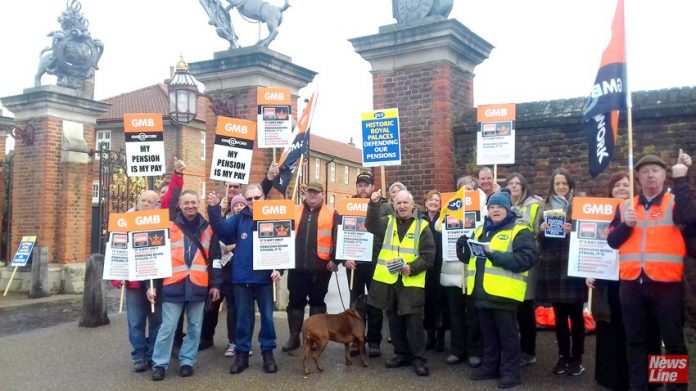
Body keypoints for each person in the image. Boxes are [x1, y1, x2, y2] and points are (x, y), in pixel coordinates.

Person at [607, 152, 695, 390]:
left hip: (666, 286)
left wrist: (683, 179)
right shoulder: (626, 206)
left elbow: (689, 217)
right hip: (632, 285)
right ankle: (641, 387)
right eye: (645, 172)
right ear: (638, 178)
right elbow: (613, 242)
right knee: (636, 341)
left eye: (655, 171)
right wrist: (626, 224)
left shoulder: (674, 201)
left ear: (665, 175)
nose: (650, 176)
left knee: (672, 342)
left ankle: (673, 388)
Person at [587, 171, 662, 390]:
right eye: (617, 184)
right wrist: (589, 270)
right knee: (613, 329)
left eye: (625, 185)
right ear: (610, 188)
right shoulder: (597, 211)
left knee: (646, 329)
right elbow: (589, 246)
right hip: (610, 280)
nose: (621, 188)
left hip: (643, 279)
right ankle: (613, 377)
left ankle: (652, 379)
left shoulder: (647, 209)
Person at [456, 190, 537, 389]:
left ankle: (511, 372)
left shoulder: (519, 230)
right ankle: (490, 367)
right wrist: (462, 248)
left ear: (508, 209)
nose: (495, 210)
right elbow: (470, 259)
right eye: (492, 207)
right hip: (482, 293)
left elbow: (526, 259)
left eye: (499, 206)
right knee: (489, 335)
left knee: (508, 337)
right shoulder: (481, 230)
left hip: (505, 294)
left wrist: (495, 255)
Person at [207, 184, 282, 374]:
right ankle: (241, 355)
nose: (253, 202)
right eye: (249, 199)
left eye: (257, 198)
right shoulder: (239, 218)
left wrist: (280, 269)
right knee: (242, 319)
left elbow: (284, 246)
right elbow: (222, 231)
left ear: (263, 197)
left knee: (267, 319)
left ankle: (268, 354)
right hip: (242, 279)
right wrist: (214, 209)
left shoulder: (275, 217)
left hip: (265, 279)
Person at [148, 190, 223, 381]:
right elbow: (158, 257)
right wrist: (154, 286)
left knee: (195, 327)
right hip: (173, 285)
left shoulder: (208, 228)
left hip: (198, 286)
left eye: (193, 202)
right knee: (168, 327)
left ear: (199, 204)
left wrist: (216, 284)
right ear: (180, 205)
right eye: (186, 203)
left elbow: (215, 258)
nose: (190, 206)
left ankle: (187, 361)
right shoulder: (169, 227)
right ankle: (159, 363)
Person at [366, 188, 435, 377]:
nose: (402, 206)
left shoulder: (422, 226)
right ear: (393, 205)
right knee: (394, 319)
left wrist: (411, 268)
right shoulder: (387, 222)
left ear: (413, 205)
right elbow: (371, 225)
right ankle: (401, 354)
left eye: (406, 202)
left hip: (411, 281)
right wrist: (373, 204)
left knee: (414, 321)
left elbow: (429, 256)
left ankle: (418, 359)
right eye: (399, 203)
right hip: (389, 281)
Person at [535, 168, 587, 375]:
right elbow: (541, 242)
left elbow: (588, 234)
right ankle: (563, 356)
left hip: (573, 264)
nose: (561, 187)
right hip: (553, 265)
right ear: (552, 186)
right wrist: (541, 230)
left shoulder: (580, 206)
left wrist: (572, 230)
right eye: (557, 183)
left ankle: (577, 358)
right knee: (559, 316)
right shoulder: (544, 206)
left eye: (564, 183)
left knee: (576, 316)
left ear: (571, 184)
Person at [281, 182, 340, 352]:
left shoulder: (332, 213)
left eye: (316, 192)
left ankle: (314, 337)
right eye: (309, 192)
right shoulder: (293, 211)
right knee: (295, 303)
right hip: (297, 268)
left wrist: (335, 259)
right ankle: (294, 337)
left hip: (321, 269)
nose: (312, 195)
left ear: (323, 194)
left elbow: (340, 238)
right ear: (305, 194)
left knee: (317, 303)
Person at [342, 171, 388, 358]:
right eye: (360, 185)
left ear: (372, 187)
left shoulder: (384, 206)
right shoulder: (347, 205)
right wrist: (343, 258)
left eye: (366, 185)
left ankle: (375, 341)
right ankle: (356, 339)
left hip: (376, 261)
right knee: (355, 303)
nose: (363, 188)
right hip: (354, 263)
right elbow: (340, 232)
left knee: (375, 303)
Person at [199, 194, 247, 357]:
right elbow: (216, 238)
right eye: (236, 205)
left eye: (242, 204)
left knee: (234, 311)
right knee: (210, 308)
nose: (239, 207)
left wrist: (235, 246)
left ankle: (234, 341)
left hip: (237, 276)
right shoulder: (225, 224)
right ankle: (206, 337)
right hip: (219, 274)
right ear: (232, 207)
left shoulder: (247, 224)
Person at [504, 172, 541, 367]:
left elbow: (538, 230)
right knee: (513, 309)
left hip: (527, 261)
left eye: (517, 183)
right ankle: (516, 349)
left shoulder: (535, 204)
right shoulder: (504, 205)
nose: (514, 187)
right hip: (510, 261)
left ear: (524, 186)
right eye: (510, 183)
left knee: (526, 308)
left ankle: (529, 350)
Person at [445, 176, 483, 367]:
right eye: (462, 189)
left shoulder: (483, 211)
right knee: (456, 313)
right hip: (453, 272)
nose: (466, 192)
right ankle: (457, 350)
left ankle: (475, 350)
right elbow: (438, 227)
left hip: (473, 272)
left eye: (469, 189)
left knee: (474, 312)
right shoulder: (450, 209)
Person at [421, 190, 448, 353]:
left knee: (440, 304)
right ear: (425, 202)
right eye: (430, 199)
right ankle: (430, 336)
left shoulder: (445, 219)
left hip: (440, 267)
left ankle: (441, 337)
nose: (433, 202)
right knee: (427, 304)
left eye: (437, 200)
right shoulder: (420, 219)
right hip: (425, 268)